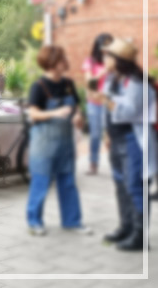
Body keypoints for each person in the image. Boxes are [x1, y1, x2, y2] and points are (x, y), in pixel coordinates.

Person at [26, 45, 91, 236]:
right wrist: (56, 112)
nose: (65, 62)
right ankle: (34, 221)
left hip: (65, 143)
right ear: (52, 63)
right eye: (61, 59)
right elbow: (34, 114)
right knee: (41, 183)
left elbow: (76, 108)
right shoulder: (39, 87)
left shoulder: (68, 84)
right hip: (43, 145)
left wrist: (78, 117)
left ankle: (72, 221)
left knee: (68, 182)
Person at [99, 37, 157, 251]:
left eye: (108, 55)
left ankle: (140, 236)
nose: (104, 58)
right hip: (116, 140)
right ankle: (126, 227)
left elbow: (129, 112)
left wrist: (109, 102)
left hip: (134, 141)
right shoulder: (113, 79)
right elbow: (110, 110)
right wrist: (107, 133)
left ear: (118, 59)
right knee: (121, 186)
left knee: (135, 187)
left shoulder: (137, 82)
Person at [82, 33, 113, 174]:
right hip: (94, 103)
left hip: (109, 103)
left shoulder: (115, 62)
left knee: (112, 133)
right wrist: (104, 70)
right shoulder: (90, 62)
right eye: (105, 47)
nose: (107, 51)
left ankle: (116, 163)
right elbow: (90, 82)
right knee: (95, 134)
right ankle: (93, 163)